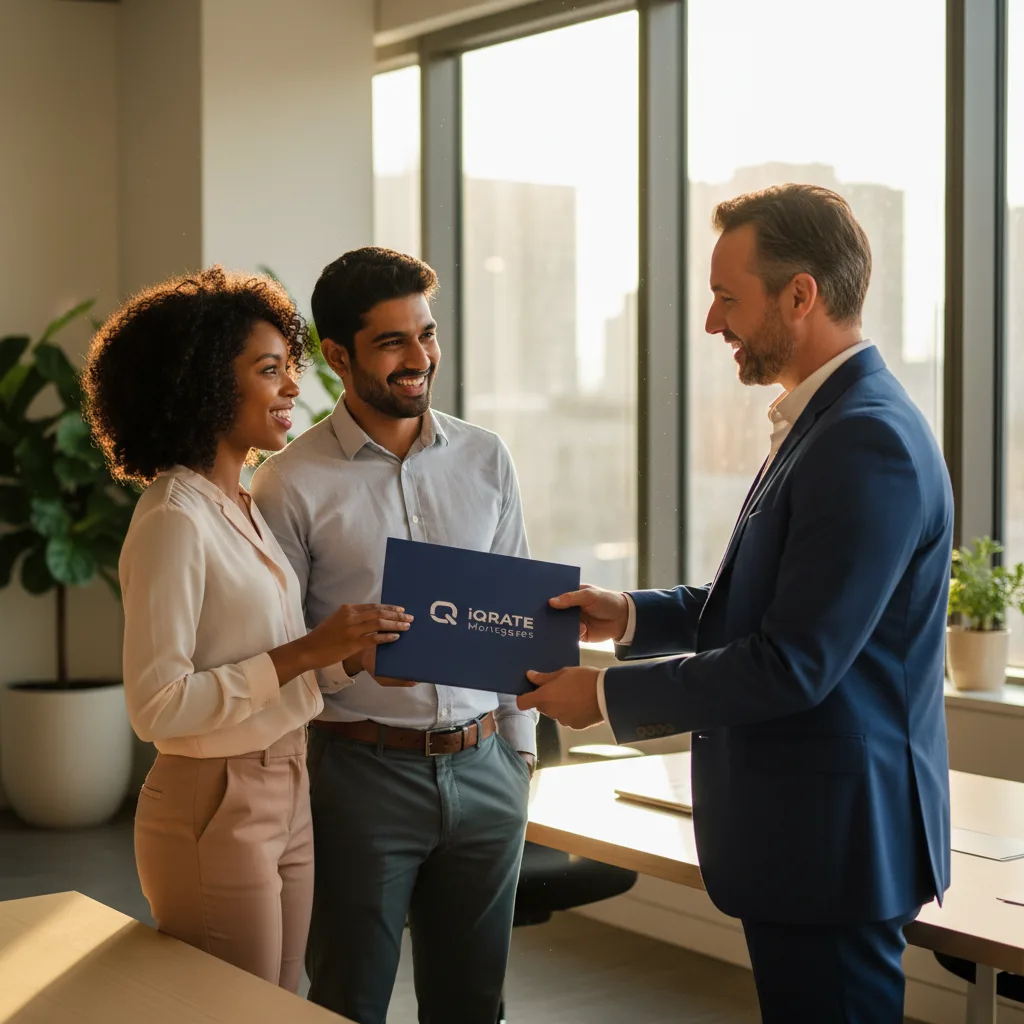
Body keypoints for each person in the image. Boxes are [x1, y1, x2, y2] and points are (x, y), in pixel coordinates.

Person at [519, 185, 953, 1024]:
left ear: (801, 295)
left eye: (728, 297)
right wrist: (630, 615)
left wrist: (606, 696)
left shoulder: (865, 438)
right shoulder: (827, 421)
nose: (713, 323)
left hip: (832, 843)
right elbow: (763, 607)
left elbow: (795, 663)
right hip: (810, 835)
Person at [83, 266, 412, 990]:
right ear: (201, 383)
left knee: (279, 1003)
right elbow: (157, 707)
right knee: (239, 1007)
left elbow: (269, 664)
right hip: (214, 798)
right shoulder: (174, 517)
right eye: (270, 370)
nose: (293, 386)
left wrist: (348, 660)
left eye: (288, 366)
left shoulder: (242, 503)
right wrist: (308, 649)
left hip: (286, 778)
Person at [251, 246, 537, 1024]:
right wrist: (351, 668)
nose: (421, 359)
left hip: (486, 768)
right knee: (348, 1001)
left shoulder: (486, 458)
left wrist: (519, 750)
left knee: (474, 1005)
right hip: (359, 776)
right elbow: (277, 654)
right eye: (393, 342)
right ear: (338, 355)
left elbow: (517, 614)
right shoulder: (288, 483)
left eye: (428, 335)